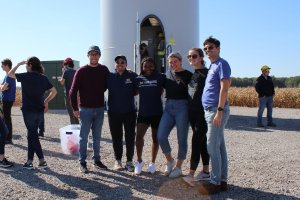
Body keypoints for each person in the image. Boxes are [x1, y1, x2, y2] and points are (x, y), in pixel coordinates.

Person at [8, 56, 57, 170]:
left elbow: (9, 74)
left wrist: (18, 64)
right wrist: (46, 101)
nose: (25, 66)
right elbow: (54, 92)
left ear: (30, 65)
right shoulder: (43, 78)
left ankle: (42, 160)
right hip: (39, 111)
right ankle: (29, 161)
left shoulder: (25, 76)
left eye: (26, 65)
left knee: (33, 135)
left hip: (28, 111)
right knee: (31, 134)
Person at [198, 36, 231, 194]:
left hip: (215, 111)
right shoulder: (212, 65)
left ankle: (215, 181)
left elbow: (224, 88)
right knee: (220, 147)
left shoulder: (222, 64)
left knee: (211, 147)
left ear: (218, 48)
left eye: (210, 47)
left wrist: (219, 111)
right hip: (210, 110)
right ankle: (222, 180)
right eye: (205, 49)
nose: (207, 51)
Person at [69, 45, 109, 173]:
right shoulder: (81, 71)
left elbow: (110, 83)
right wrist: (75, 108)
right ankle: (82, 162)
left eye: (96, 54)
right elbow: (72, 91)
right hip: (85, 109)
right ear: (88, 56)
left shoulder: (104, 70)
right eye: (91, 54)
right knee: (83, 137)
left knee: (97, 137)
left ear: (99, 56)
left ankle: (97, 160)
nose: (94, 56)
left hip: (99, 108)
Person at [157, 52, 192, 178]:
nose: (172, 64)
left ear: (181, 60)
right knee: (161, 136)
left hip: (182, 108)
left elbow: (193, 93)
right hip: (168, 107)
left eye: (175, 61)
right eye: (170, 62)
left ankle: (178, 167)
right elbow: (153, 80)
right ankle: (170, 160)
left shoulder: (188, 75)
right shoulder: (166, 75)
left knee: (181, 139)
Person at [182, 48, 210, 187]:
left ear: (200, 57)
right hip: (192, 113)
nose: (191, 58)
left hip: (202, 113)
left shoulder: (207, 73)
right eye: (189, 56)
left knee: (196, 141)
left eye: (194, 56)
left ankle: (191, 175)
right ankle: (205, 171)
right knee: (202, 141)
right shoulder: (194, 74)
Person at [134, 57, 166, 175]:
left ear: (154, 66)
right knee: (138, 137)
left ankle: (152, 162)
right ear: (142, 67)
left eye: (150, 66)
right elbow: (133, 91)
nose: (148, 68)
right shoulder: (138, 79)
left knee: (155, 139)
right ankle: (139, 161)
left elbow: (167, 88)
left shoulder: (161, 77)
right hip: (143, 113)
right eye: (145, 66)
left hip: (157, 113)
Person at [107, 55, 137, 172]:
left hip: (129, 112)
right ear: (115, 64)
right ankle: (117, 160)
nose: (120, 64)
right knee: (116, 137)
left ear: (126, 64)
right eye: (118, 62)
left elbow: (136, 90)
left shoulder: (132, 75)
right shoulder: (110, 77)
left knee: (130, 137)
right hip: (114, 113)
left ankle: (129, 161)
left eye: (122, 62)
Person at [59, 57, 79, 125]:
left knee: (71, 113)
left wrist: (62, 75)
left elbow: (62, 82)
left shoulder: (66, 72)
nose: (64, 65)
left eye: (64, 64)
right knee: (75, 112)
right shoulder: (76, 72)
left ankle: (73, 130)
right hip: (76, 95)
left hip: (68, 95)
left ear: (67, 64)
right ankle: (78, 129)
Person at [0, 58, 16, 144]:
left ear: (7, 65)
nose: (1, 66)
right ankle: (5, 135)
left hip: (7, 100)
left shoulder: (9, 76)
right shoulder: (7, 75)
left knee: (7, 119)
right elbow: (2, 87)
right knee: (4, 118)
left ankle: (8, 138)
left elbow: (3, 88)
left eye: (2, 65)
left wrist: (2, 87)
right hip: (6, 99)